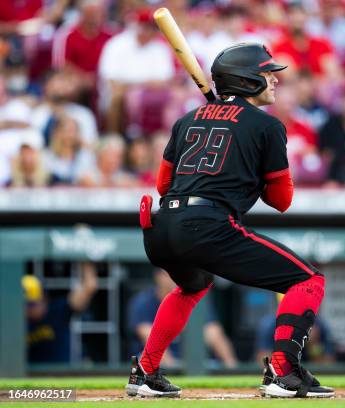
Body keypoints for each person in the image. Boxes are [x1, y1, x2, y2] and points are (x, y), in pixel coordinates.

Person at [126, 43, 334, 399]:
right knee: (309, 280)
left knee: (193, 286)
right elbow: (281, 201)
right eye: (267, 73)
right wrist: (251, 173)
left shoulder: (186, 119)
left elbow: (163, 185)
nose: (274, 79)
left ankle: (145, 371)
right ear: (246, 79)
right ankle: (284, 373)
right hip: (207, 225)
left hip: (160, 228)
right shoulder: (267, 125)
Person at [128, 269, 237, 369]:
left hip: (189, 358)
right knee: (147, 349)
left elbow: (213, 330)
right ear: (158, 276)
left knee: (212, 331)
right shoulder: (143, 301)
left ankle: (233, 370)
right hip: (157, 363)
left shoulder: (194, 296)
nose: (173, 279)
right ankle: (152, 376)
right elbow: (146, 333)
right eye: (168, 275)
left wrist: (230, 365)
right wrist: (171, 368)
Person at [24, 264, 98, 363]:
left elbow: (90, 286)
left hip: (62, 374)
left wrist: (85, 256)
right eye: (27, 305)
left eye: (34, 304)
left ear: (45, 299)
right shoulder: (14, 322)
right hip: (30, 376)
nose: (29, 309)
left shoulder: (57, 311)